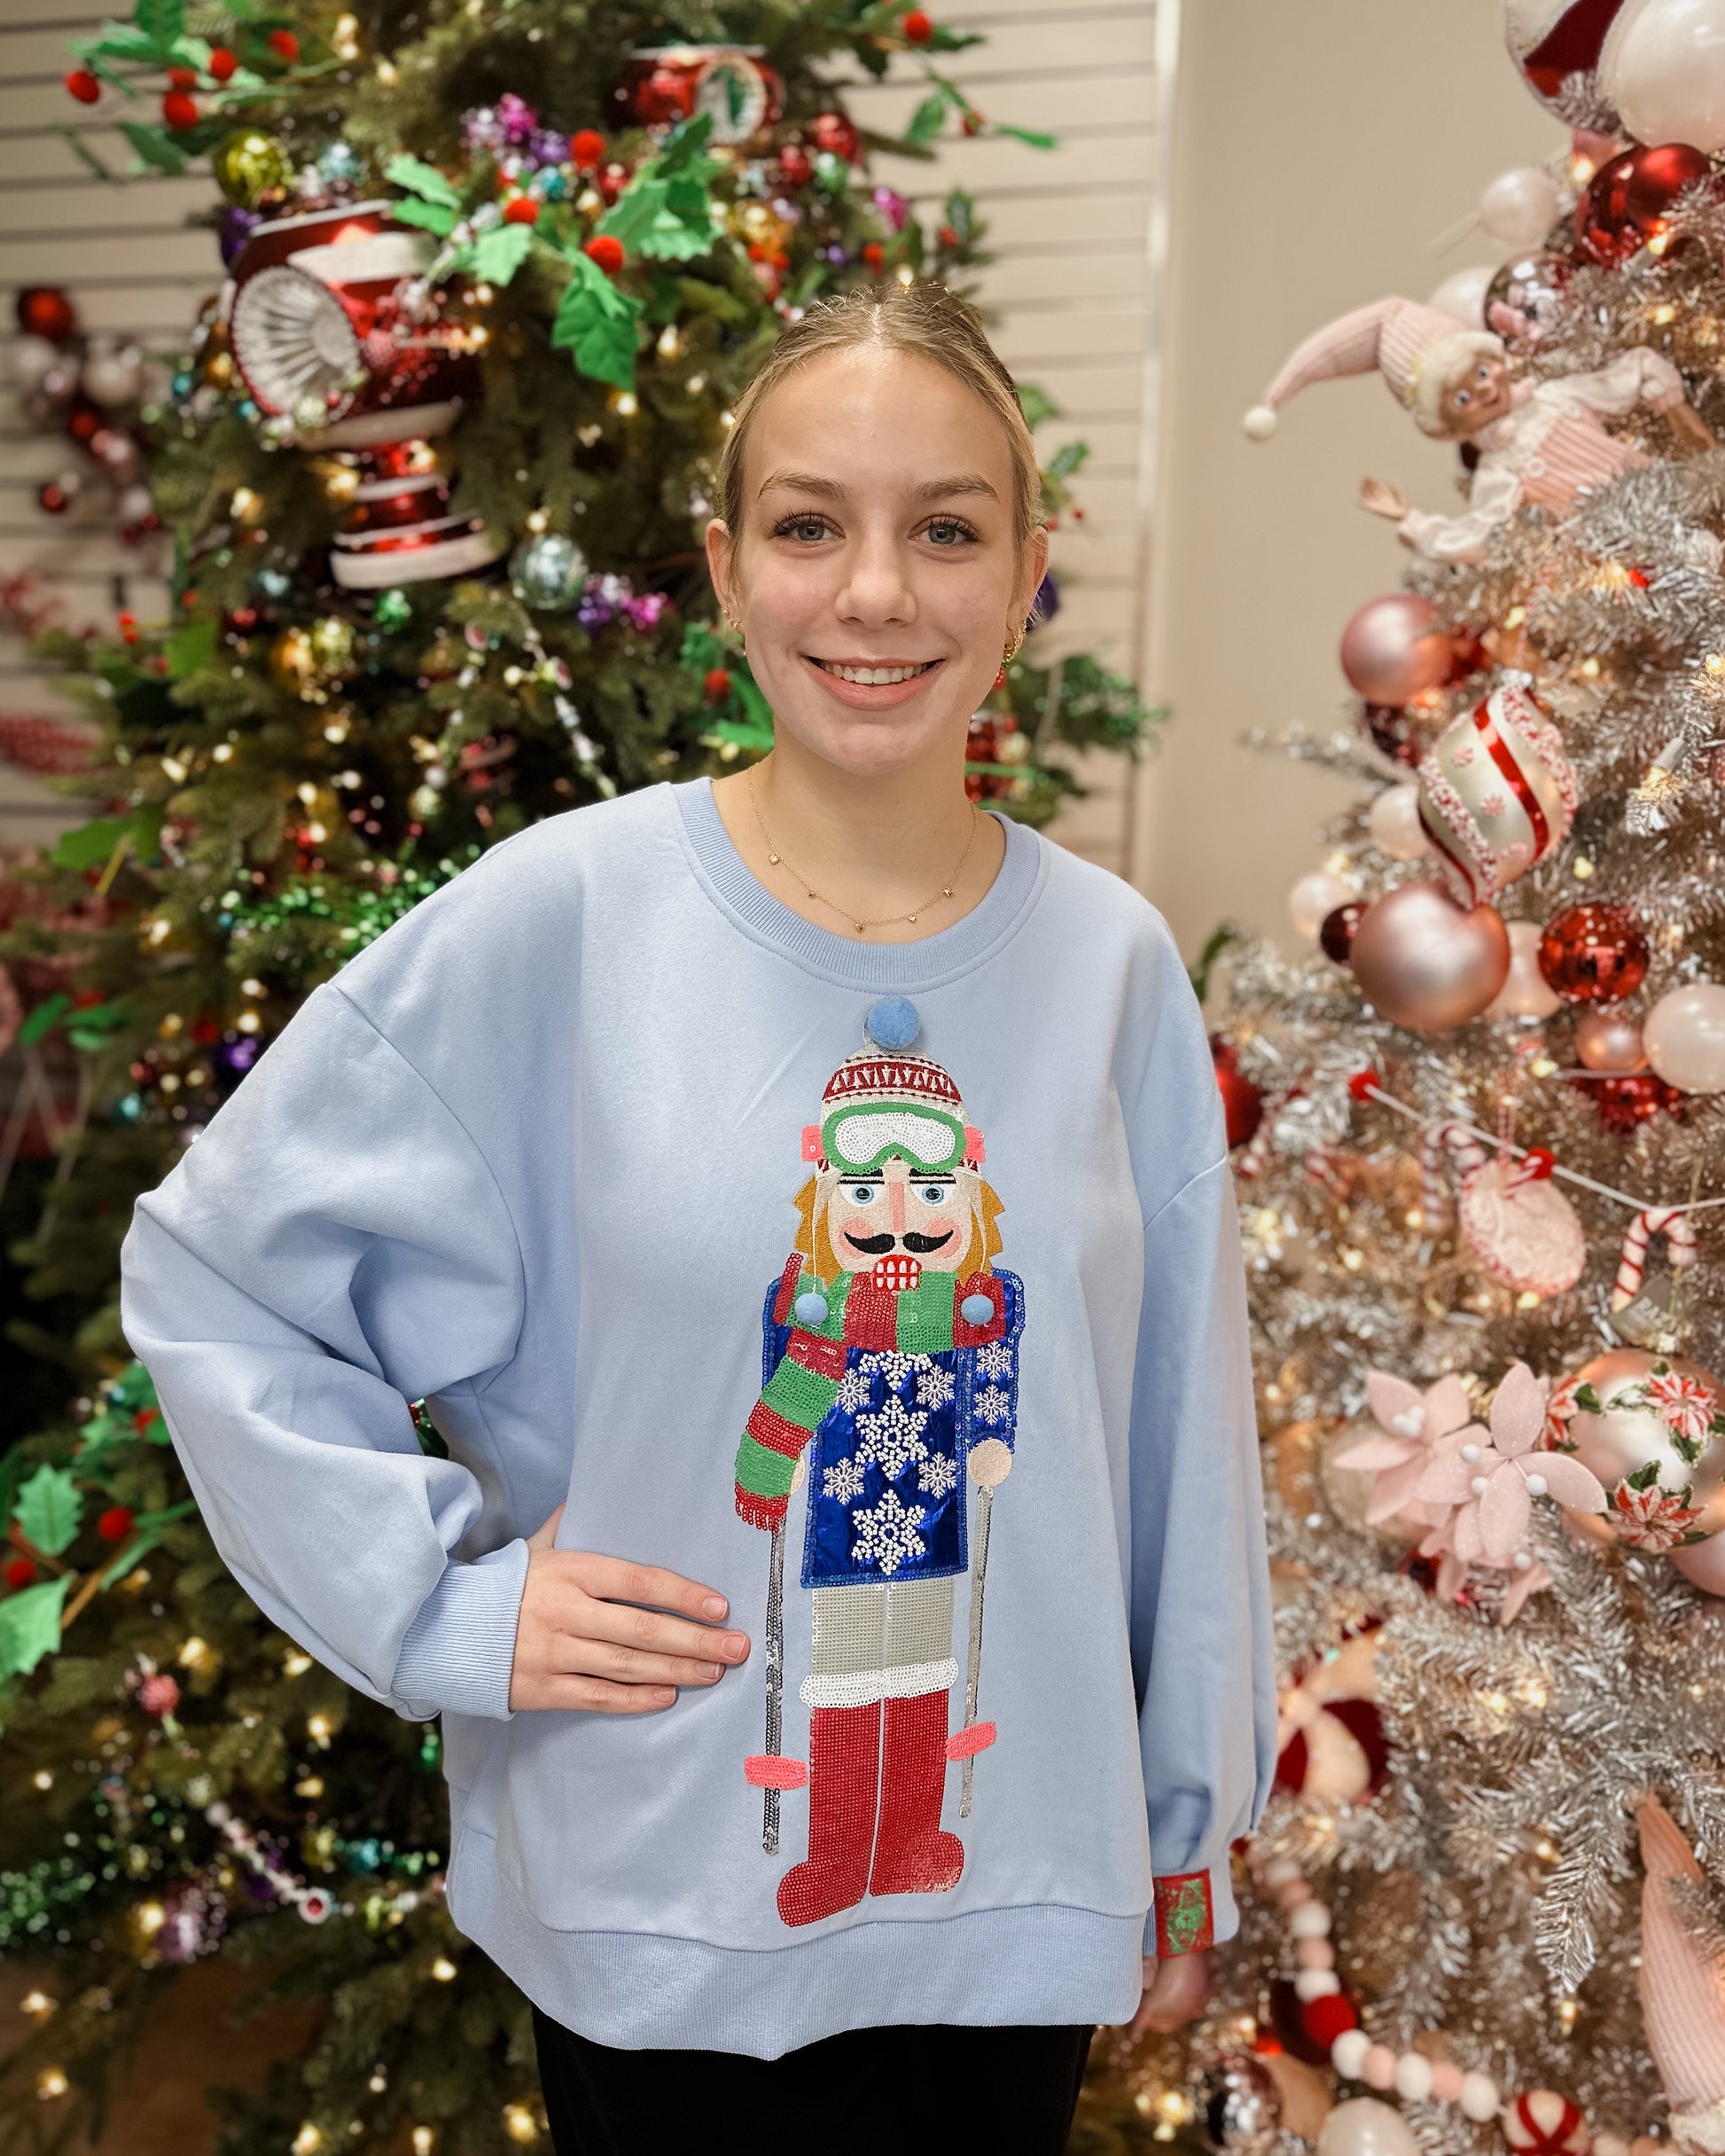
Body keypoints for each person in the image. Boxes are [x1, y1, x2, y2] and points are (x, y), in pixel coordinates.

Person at [120, 279, 1276, 2155]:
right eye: (810, 526)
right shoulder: (559, 919)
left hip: (1012, 1901)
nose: (876, 593)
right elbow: (219, 1273)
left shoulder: (1110, 967)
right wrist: (444, 1603)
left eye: (946, 529)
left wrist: (1180, 1816)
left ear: (1026, 572)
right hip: (657, 1886)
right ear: (727, 572)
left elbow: (1177, 1441)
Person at [1242, 293, 1713, 562]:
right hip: (1623, 541)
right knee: (1702, 556)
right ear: (1447, 425)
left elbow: (1629, 374)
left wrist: (1674, 406)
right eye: (1462, 398)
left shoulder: (1555, 398)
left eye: (1484, 373)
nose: (1485, 391)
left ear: (1497, 361)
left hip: (1664, 482)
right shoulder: (1501, 471)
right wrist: (1411, 520)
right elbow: (1477, 533)